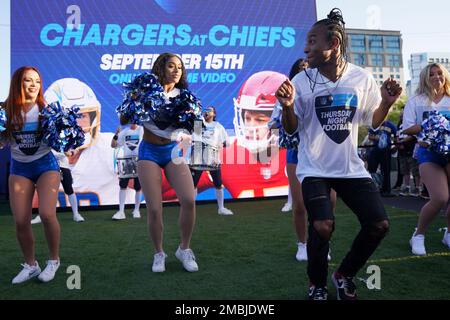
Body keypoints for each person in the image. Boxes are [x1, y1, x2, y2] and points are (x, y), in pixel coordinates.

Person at [276, 8, 401, 300]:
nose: (306, 47)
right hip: (314, 168)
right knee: (322, 225)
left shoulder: (361, 77)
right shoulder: (301, 82)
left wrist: (387, 102)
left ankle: (343, 274)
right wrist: (287, 107)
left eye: (312, 40)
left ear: (333, 44)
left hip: (350, 168)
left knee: (379, 224)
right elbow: (292, 130)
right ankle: (316, 284)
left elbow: (373, 120)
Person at [123, 53, 198, 273]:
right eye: (171, 66)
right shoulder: (146, 91)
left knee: (189, 200)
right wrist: (135, 99)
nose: (176, 71)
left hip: (172, 150)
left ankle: (184, 249)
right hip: (149, 151)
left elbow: (194, 126)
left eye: (180, 68)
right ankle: (159, 253)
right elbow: (123, 120)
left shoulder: (184, 96)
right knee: (154, 208)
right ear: (161, 68)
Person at [269, 58, 336, 262]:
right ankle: (303, 244)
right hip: (296, 152)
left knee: (330, 201)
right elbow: (272, 123)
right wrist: (285, 114)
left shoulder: (325, 92)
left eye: (308, 68)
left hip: (324, 152)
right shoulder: (285, 95)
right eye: (300, 69)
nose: (305, 71)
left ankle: (323, 241)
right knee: (299, 203)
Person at [2, 66, 62, 283]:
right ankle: (31, 265)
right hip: (20, 168)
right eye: (28, 80)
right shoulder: (5, 111)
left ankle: (53, 260)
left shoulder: (47, 110)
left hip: (46, 165)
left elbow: (61, 139)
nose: (33, 85)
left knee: (46, 214)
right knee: (20, 221)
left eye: (37, 81)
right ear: (19, 83)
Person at [44, 78, 136, 206]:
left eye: (82, 116)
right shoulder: (44, 154)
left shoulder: (111, 149)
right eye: (68, 117)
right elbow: (35, 208)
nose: (77, 123)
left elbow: (141, 183)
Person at [402, 63, 450, 255]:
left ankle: (448, 233)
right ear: (425, 78)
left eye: (440, 73)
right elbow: (407, 127)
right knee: (440, 197)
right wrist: (431, 125)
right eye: (431, 74)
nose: (436, 76)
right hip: (428, 152)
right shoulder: (416, 100)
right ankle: (418, 234)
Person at [190, 106, 234, 215]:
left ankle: (221, 208)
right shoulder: (198, 124)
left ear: (214, 114)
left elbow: (227, 142)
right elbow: (195, 138)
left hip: (213, 159)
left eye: (209, 110)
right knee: (192, 184)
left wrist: (220, 144)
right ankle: (190, 208)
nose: (206, 112)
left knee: (218, 183)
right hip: (198, 158)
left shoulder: (218, 127)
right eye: (205, 110)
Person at [31, 149, 86, 224]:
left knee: (69, 189)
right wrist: (64, 154)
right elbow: (46, 153)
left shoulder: (65, 138)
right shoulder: (47, 138)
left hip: (63, 166)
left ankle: (76, 214)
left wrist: (72, 152)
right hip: (49, 167)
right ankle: (41, 215)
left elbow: (73, 150)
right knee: (46, 191)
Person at [111, 124, 144, 220]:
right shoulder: (125, 131)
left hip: (139, 160)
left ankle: (136, 210)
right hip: (127, 160)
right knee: (123, 186)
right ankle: (121, 211)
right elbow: (113, 145)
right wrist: (116, 134)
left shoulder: (142, 130)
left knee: (138, 186)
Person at [367, 119, 397, 196]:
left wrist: (394, 145)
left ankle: (386, 190)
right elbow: (370, 136)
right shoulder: (374, 124)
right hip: (375, 149)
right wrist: (379, 138)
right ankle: (372, 188)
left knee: (386, 170)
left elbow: (396, 136)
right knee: (372, 169)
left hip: (386, 150)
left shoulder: (390, 124)